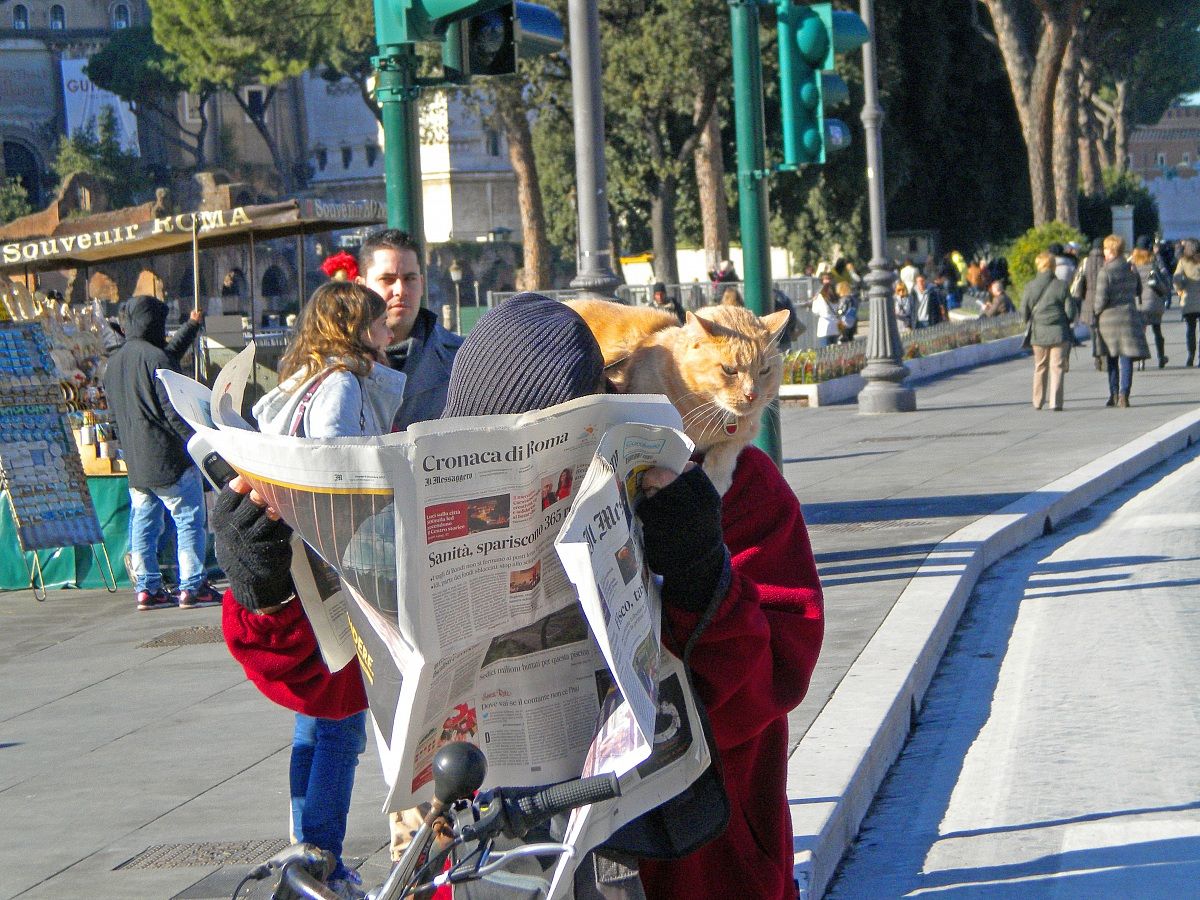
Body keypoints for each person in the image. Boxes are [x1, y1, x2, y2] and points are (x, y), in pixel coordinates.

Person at [213, 293, 825, 900]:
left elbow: (776, 675)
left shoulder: (731, 490)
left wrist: (698, 568)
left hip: (695, 866)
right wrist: (265, 593)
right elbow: (337, 683)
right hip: (498, 866)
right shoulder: (424, 505)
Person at [239, 281, 402, 900]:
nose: (388, 330)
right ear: (357, 327)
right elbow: (336, 461)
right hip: (339, 567)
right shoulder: (341, 383)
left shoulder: (303, 378)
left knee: (316, 718)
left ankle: (304, 845)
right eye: (379, 321)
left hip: (304, 567)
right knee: (342, 722)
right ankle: (323, 859)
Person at [102, 296, 216, 611]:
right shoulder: (156, 359)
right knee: (189, 520)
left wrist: (192, 326)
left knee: (144, 523)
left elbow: (113, 418)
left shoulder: (114, 363)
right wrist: (199, 444)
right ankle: (192, 585)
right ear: (154, 323)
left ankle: (147, 588)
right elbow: (173, 413)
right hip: (168, 460)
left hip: (137, 462)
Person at [354, 229, 463, 429]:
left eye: (409, 279)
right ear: (361, 287)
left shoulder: (462, 360)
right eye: (387, 279)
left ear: (421, 284)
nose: (400, 290)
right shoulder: (333, 366)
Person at [1094, 235, 1150, 407]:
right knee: (1126, 358)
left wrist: (1095, 312)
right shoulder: (1130, 268)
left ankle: (1113, 393)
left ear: (1111, 250)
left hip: (1109, 321)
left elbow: (1101, 299)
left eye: (1105, 249)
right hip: (1128, 318)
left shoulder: (1105, 271)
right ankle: (1124, 394)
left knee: (1111, 359)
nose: (1103, 252)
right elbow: (1138, 290)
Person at [1021, 251, 1077, 411]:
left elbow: (1024, 313)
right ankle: (1056, 402)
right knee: (1057, 367)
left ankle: (1038, 401)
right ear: (1053, 266)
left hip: (1039, 333)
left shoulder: (1030, 286)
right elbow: (1071, 313)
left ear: (1038, 265)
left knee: (1040, 367)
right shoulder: (1061, 286)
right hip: (1059, 332)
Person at [1131, 235, 1170, 369]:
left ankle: (1141, 360)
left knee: (1141, 332)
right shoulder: (1155, 259)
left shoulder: (1132, 261)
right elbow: (1165, 275)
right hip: (1155, 301)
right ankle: (1161, 357)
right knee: (1157, 330)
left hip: (1138, 302)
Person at [1074, 237, 1106, 370]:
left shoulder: (1085, 262)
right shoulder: (1106, 261)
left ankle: (1097, 356)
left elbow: (1078, 282)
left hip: (1088, 300)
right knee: (1104, 330)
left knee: (1093, 331)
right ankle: (1104, 355)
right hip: (1105, 300)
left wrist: (1080, 297)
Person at [1173, 238, 1200, 366]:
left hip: (1188, 301)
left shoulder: (1183, 261)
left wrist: (1179, 290)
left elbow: (1176, 278)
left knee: (1190, 329)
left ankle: (1191, 355)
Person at [811, 277, 840, 347]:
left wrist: (814, 300)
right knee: (834, 351)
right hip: (835, 327)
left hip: (824, 328)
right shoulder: (836, 298)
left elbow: (815, 311)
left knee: (825, 352)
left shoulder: (820, 297)